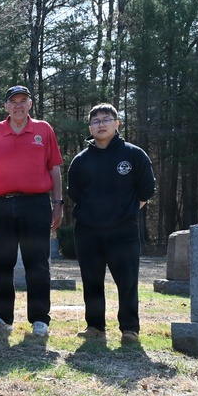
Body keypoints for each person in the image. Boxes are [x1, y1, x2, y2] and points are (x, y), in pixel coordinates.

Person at [67, 103, 156, 344]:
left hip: (123, 230)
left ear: (117, 124)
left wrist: (125, 213)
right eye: (96, 121)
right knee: (92, 280)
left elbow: (146, 190)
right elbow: (74, 193)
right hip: (88, 230)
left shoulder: (133, 154)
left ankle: (129, 329)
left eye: (106, 119)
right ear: (90, 127)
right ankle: (95, 326)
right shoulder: (80, 160)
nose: (101, 124)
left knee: (127, 281)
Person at [0, 85, 64, 338]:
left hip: (35, 204)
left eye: (23, 100)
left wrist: (58, 204)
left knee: (36, 263)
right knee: (1, 263)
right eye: (13, 101)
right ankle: (2, 317)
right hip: (1, 204)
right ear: (6, 106)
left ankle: (39, 319)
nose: (18, 105)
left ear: (30, 104)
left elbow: (55, 169)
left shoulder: (43, 129)